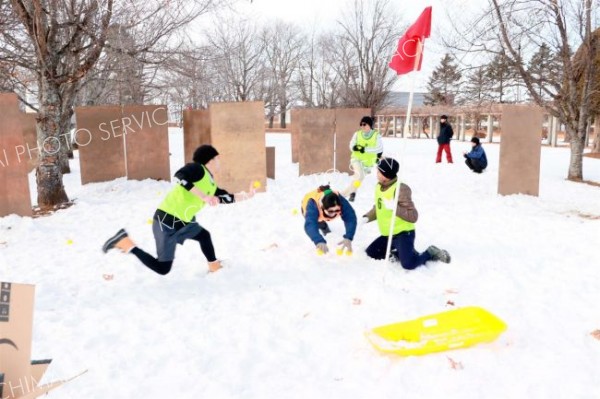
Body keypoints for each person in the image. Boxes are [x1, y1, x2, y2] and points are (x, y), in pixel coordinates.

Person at [101, 145, 254, 275]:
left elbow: (226, 198)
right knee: (163, 268)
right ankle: (126, 243)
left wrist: (247, 195)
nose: (219, 161)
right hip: (166, 220)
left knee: (204, 236)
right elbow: (180, 177)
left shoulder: (211, 183)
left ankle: (213, 265)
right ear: (210, 160)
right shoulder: (197, 169)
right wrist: (204, 197)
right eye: (217, 158)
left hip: (184, 222)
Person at [362, 157, 451, 269]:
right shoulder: (379, 186)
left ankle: (430, 252)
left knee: (408, 264)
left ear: (386, 175)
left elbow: (413, 216)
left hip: (403, 234)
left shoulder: (401, 189)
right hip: (388, 234)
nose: (377, 173)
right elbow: (378, 207)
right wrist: (366, 218)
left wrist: (395, 208)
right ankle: (400, 252)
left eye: (379, 171)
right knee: (371, 253)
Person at [301, 185, 357, 254]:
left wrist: (349, 236)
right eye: (331, 211)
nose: (334, 214)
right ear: (322, 207)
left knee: (324, 218)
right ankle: (324, 227)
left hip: (324, 209)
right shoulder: (313, 206)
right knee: (319, 222)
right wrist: (318, 240)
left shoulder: (340, 201)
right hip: (307, 207)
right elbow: (310, 224)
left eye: (337, 210)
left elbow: (350, 218)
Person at [342, 116, 383, 202]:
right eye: (361, 124)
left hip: (367, 163)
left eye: (364, 124)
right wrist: (355, 147)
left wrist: (365, 149)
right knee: (359, 175)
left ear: (370, 125)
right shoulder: (357, 134)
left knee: (359, 179)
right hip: (356, 159)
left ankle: (353, 192)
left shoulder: (376, 135)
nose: (362, 126)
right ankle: (342, 195)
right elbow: (351, 145)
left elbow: (379, 148)